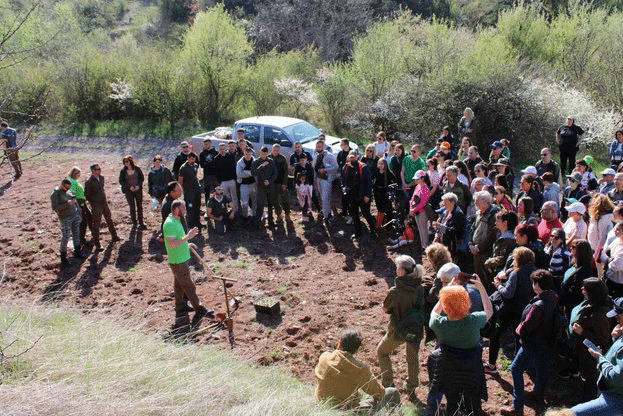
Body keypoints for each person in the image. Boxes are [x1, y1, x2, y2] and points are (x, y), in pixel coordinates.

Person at [427, 275, 493, 416]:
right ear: (467, 302)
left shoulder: (439, 324)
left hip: (449, 370)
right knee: (473, 402)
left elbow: (434, 312)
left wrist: (447, 290)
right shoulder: (474, 321)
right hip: (472, 369)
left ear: (445, 305)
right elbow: (489, 310)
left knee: (452, 402)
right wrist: (481, 288)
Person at [501, 270, 560, 415]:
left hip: (532, 343)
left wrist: (518, 330)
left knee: (515, 369)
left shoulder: (538, 305)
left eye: (534, 282)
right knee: (542, 367)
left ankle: (517, 406)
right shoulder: (553, 298)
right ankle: (539, 393)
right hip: (546, 342)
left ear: (538, 285)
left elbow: (527, 326)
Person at [377, 255, 425, 397]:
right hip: (415, 328)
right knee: (412, 357)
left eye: (398, 266)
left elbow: (386, 309)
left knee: (382, 352)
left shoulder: (395, 291)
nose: (396, 269)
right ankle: (411, 387)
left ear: (402, 271)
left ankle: (387, 384)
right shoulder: (420, 287)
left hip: (398, 330)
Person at [315, 329, 399, 410]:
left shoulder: (324, 357)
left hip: (322, 405)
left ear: (339, 344)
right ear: (356, 350)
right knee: (392, 392)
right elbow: (379, 394)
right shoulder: (360, 369)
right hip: (347, 411)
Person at [163, 200, 213, 333]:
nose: (185, 210)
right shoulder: (169, 224)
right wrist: (188, 237)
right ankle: (199, 308)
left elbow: (179, 239)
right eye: (182, 208)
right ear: (176, 210)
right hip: (178, 261)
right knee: (189, 285)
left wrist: (187, 243)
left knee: (179, 285)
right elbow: (173, 243)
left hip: (181, 258)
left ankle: (181, 306)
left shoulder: (176, 220)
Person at [487, 247, 537, 376]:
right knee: (520, 337)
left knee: (495, 334)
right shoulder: (535, 272)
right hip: (525, 310)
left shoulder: (517, 273)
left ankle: (491, 365)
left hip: (509, 310)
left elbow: (508, 294)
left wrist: (498, 285)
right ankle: (521, 365)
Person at [570, 297, 623, 416]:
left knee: (573, 413)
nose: (616, 319)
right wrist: (616, 338)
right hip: (611, 393)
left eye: (618, 316)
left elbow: (617, 376)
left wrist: (600, 358)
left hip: (615, 399)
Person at [559, 278, 611, 400]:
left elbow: (602, 340)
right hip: (585, 349)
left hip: (591, 353)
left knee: (590, 377)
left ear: (592, 293)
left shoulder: (599, 314)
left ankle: (587, 400)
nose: (582, 289)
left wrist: (583, 332)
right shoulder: (594, 303)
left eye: (585, 288)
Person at [84, 163, 121, 249]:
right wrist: (93, 203)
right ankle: (97, 244)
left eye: (100, 169)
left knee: (109, 220)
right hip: (96, 205)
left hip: (104, 203)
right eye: (98, 169)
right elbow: (87, 195)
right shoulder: (89, 182)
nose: (100, 170)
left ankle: (114, 236)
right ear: (93, 171)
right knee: (96, 224)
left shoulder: (101, 178)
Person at [561, 240, 598, 319]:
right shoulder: (576, 264)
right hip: (568, 303)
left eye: (573, 247)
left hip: (574, 306)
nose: (571, 248)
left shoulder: (585, 270)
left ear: (581, 251)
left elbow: (575, 291)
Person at [51, 178, 84, 267]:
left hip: (74, 215)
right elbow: (54, 207)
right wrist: (67, 204)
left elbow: (74, 200)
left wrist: (78, 212)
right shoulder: (56, 193)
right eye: (66, 187)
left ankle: (77, 251)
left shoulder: (69, 191)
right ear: (62, 185)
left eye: (69, 188)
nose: (67, 189)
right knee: (65, 237)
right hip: (65, 218)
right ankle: (63, 258)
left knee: (76, 233)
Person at [341, 150, 375, 239]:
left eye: (354, 156)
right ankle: (358, 232)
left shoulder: (363, 167)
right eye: (350, 157)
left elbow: (369, 182)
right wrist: (343, 187)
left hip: (362, 194)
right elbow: (343, 180)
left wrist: (367, 195)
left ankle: (373, 229)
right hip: (351, 194)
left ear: (357, 157)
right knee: (354, 214)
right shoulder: (346, 167)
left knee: (366, 213)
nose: (352, 158)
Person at [469, 191, 499, 280]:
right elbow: (472, 229)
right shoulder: (478, 213)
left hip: (486, 252)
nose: (475, 203)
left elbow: (492, 235)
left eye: (477, 201)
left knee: (487, 278)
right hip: (476, 251)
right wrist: (470, 244)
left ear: (486, 202)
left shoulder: (493, 214)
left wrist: (478, 248)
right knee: (479, 277)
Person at [485, 210, 518, 282]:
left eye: (498, 221)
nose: (495, 223)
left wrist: (489, 262)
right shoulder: (501, 236)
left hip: (502, 273)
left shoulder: (509, 240)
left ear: (505, 223)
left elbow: (504, 258)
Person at [433, 192, 466, 259]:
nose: (444, 205)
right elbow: (441, 224)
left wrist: (440, 227)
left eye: (446, 203)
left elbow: (454, 231)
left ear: (452, 202)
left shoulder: (458, 214)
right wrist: (437, 235)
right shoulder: (446, 212)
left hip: (453, 246)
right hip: (444, 244)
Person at [313, 140, 339, 223]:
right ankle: (328, 213)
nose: (318, 148)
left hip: (326, 179)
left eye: (320, 147)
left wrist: (325, 170)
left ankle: (326, 216)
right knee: (322, 198)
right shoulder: (316, 156)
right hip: (319, 179)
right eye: (317, 147)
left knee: (325, 198)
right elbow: (315, 169)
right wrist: (315, 181)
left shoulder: (329, 156)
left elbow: (336, 167)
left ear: (323, 147)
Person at [252, 146, 277, 228]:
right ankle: (257, 222)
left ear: (267, 153)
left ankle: (271, 221)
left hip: (270, 186)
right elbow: (253, 173)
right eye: (262, 153)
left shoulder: (271, 161)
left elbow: (275, 173)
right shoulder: (256, 161)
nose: (263, 154)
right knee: (260, 205)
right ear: (260, 152)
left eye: (265, 153)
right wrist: (261, 166)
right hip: (260, 186)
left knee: (270, 204)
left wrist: (269, 181)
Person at [118, 155, 146, 229]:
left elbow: (141, 178)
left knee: (139, 206)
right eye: (124, 162)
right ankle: (134, 222)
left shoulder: (137, 169)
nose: (126, 163)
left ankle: (141, 222)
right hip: (128, 191)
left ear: (131, 161)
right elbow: (121, 181)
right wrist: (129, 187)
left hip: (138, 190)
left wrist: (138, 185)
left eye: (127, 161)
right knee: (132, 207)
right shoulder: (123, 171)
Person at [68, 167, 93, 247]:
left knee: (89, 216)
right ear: (74, 173)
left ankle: (93, 233)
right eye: (77, 174)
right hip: (79, 203)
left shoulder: (75, 181)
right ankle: (81, 238)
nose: (79, 175)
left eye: (79, 173)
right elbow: (72, 194)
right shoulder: (72, 182)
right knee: (83, 220)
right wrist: (80, 205)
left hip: (82, 202)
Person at [177, 152, 202, 233]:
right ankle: (190, 225)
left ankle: (197, 223)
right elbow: (180, 180)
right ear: (188, 158)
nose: (192, 160)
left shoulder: (196, 166)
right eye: (191, 158)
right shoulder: (183, 167)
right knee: (190, 208)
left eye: (193, 158)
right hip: (188, 191)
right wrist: (182, 190)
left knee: (197, 206)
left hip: (196, 190)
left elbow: (198, 176)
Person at [214, 143, 239, 219]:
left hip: (231, 180)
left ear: (226, 149)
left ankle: (235, 211)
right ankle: (226, 211)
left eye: (223, 149)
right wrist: (219, 181)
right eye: (220, 149)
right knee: (225, 197)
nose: (222, 150)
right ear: (218, 150)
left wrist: (234, 179)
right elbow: (216, 171)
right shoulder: (216, 159)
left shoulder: (230, 156)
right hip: (223, 182)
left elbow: (234, 168)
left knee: (234, 196)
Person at [588, 194, 615, 260]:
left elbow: (601, 239)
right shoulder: (610, 217)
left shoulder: (602, 219)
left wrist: (596, 255)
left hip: (599, 253)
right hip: (599, 251)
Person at [410, 170, 431, 250]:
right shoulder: (417, 186)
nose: (416, 180)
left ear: (422, 179)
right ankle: (423, 245)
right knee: (419, 228)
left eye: (417, 178)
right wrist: (411, 208)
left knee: (424, 229)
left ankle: (425, 246)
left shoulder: (426, 189)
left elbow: (423, 203)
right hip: (416, 211)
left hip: (423, 212)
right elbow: (412, 198)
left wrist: (414, 209)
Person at [269, 144, 290, 222]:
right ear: (272, 150)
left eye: (277, 150)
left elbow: (286, 172)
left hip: (281, 182)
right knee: (275, 201)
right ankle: (278, 215)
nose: (275, 152)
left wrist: (284, 183)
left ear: (279, 151)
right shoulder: (268, 158)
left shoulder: (282, 159)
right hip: (272, 183)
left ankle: (287, 214)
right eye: (274, 150)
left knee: (285, 200)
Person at [372, 158, 396, 230]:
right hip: (377, 192)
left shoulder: (389, 173)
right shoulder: (376, 172)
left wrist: (390, 191)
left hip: (385, 193)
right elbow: (372, 181)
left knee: (388, 209)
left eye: (382, 164)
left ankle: (389, 226)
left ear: (385, 164)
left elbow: (394, 183)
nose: (380, 165)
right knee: (379, 209)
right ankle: (380, 224)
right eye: (379, 163)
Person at [236, 146, 257, 226]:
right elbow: (239, 174)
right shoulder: (240, 163)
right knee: (244, 203)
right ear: (244, 154)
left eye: (249, 154)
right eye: (246, 154)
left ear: (252, 154)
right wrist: (250, 173)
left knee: (254, 201)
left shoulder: (255, 161)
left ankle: (253, 216)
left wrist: (245, 172)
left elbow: (256, 172)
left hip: (253, 184)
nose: (248, 155)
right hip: (244, 185)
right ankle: (245, 217)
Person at [605, 223, 623, 299]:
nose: (615, 231)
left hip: (618, 283)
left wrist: (608, 260)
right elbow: (606, 251)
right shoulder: (617, 240)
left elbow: (617, 266)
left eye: (618, 229)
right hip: (610, 278)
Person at [199, 138, 219, 205]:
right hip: (207, 175)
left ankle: (218, 205)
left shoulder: (215, 153)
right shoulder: (202, 154)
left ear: (210, 144)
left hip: (215, 175)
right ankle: (208, 206)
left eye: (206, 144)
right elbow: (201, 165)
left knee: (217, 191)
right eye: (204, 144)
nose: (205, 145)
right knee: (207, 192)